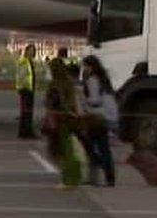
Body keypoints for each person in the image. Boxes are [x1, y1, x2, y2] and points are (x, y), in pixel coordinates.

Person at [44, 58, 82, 188]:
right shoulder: (69, 82)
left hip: (59, 118)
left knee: (62, 150)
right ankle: (73, 178)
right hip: (68, 117)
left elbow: (53, 102)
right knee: (68, 149)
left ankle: (67, 180)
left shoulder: (56, 84)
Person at [81, 55, 118, 187]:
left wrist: (84, 102)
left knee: (90, 145)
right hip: (109, 116)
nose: (84, 69)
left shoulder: (92, 80)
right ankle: (108, 177)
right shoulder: (104, 79)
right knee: (103, 148)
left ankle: (97, 169)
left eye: (85, 66)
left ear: (91, 67)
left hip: (98, 117)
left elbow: (95, 100)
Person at [15, 44, 38, 139]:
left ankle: (27, 131)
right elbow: (21, 76)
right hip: (25, 89)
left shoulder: (30, 62)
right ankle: (25, 132)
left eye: (33, 51)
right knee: (25, 112)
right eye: (30, 50)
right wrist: (22, 87)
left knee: (28, 112)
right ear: (26, 51)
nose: (32, 52)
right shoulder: (23, 61)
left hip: (29, 89)